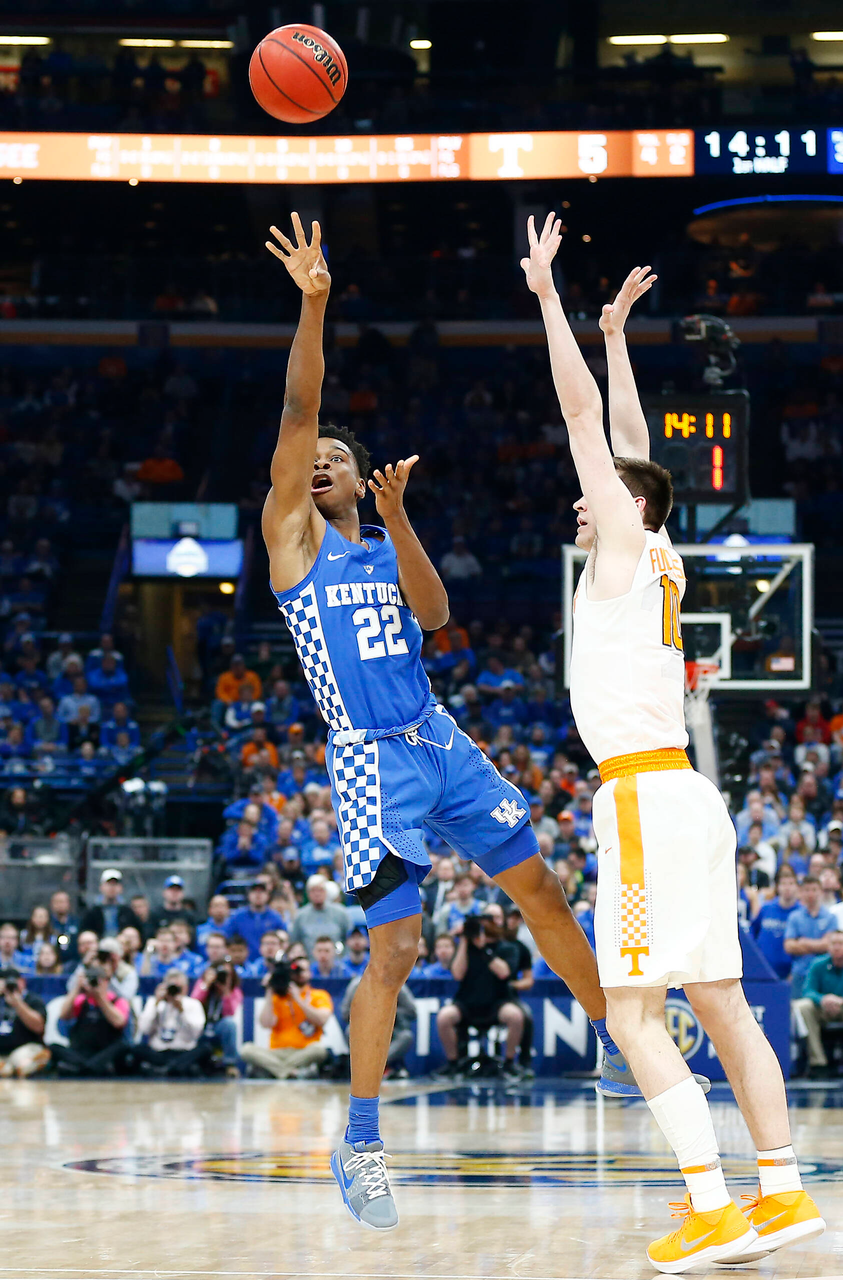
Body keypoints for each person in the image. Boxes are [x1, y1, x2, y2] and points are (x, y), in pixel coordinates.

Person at [261, 211, 656, 1231]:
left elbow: (435, 616)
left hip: (438, 736)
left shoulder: (382, 538)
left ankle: (625, 1044)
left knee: (542, 893)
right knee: (393, 949)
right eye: (313, 460)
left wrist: (397, 519)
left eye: (337, 462)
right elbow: (300, 405)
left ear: (359, 479)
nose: (319, 465)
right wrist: (314, 302)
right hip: (366, 762)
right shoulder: (292, 542)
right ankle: (359, 1141)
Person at [522, 219, 823, 1269]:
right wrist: (614, 335)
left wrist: (550, 298)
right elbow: (633, 446)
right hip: (686, 797)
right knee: (723, 1000)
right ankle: (779, 1190)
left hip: (645, 798)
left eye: (597, 492)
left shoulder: (615, 545)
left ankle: (710, 1204)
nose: (581, 496)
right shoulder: (658, 554)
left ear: (619, 506)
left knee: (634, 1015)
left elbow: (584, 427)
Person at [435, 914, 525, 1077]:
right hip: (467, 1001)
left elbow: (504, 973)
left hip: (497, 1001)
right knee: (444, 1017)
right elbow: (457, 974)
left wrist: (483, 949)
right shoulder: (465, 948)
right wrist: (464, 940)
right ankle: (453, 1063)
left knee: (516, 1016)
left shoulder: (507, 948)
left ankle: (510, 1062)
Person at [238, 952, 332, 1079]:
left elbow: (321, 1020)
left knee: (320, 1050)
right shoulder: (278, 997)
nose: (298, 974)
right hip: (276, 1052)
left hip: (304, 1052)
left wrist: (297, 998)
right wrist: (270, 990)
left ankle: (276, 1071)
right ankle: (289, 1072)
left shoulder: (319, 995)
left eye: (302, 970)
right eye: (295, 971)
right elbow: (266, 1023)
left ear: (310, 973)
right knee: (246, 1049)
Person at [52, 949, 131, 1074]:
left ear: (106, 981)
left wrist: (100, 998)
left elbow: (119, 1022)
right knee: (53, 1047)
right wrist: (77, 988)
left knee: (123, 1047)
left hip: (104, 1052)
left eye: (98, 980)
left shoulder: (118, 1000)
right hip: (82, 1052)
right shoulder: (81, 1000)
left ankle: (81, 1068)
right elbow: (63, 1015)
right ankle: (88, 1067)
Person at [793, 930, 843, 1077]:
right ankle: (818, 1063)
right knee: (803, 1006)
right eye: (833, 943)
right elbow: (807, 990)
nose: (837, 947)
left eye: (841, 943)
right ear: (828, 947)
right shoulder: (818, 964)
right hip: (823, 1009)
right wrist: (823, 999)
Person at [131, 971, 208, 1076]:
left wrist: (182, 1010)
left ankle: (167, 1069)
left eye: (178, 988)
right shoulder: (154, 1002)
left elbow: (196, 1034)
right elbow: (144, 1029)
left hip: (183, 1051)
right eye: (171, 987)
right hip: (159, 1051)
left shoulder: (193, 1004)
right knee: (135, 1049)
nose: (174, 991)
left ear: (185, 988)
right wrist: (156, 1004)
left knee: (205, 1049)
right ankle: (172, 1068)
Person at [340, 973, 416, 1079]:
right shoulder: (356, 985)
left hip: (391, 1030)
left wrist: (390, 1010)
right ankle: (371, 1068)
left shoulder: (398, 984)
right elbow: (344, 1013)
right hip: (365, 1030)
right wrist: (365, 1011)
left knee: (406, 1036)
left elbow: (412, 1012)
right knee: (350, 1031)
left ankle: (376, 1066)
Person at [783, 876, 837, 996]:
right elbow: (789, 946)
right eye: (807, 890)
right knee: (796, 1010)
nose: (810, 893)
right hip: (799, 973)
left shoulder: (830, 917)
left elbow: (828, 945)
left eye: (814, 889)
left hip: (824, 974)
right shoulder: (795, 917)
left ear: (821, 892)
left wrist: (803, 942)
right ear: (801, 892)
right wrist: (818, 945)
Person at [191, 958, 243, 1077]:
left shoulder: (234, 991)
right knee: (190, 1022)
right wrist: (207, 984)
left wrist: (225, 992)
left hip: (219, 1026)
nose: (222, 976)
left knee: (230, 1023)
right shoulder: (203, 984)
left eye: (226, 974)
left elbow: (230, 1013)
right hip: (202, 1025)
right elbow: (193, 1005)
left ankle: (230, 1064)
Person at [751, 867, 801, 979]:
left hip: (789, 973)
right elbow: (753, 932)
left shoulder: (801, 913)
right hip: (762, 970)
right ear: (777, 887)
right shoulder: (766, 908)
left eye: (791, 884)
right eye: (783, 884)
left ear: (797, 887)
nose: (787, 888)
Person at [0, 967, 50, 1078]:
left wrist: (18, 1004)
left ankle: (30, 1061)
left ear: (22, 982)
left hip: (25, 1046)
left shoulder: (33, 999)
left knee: (22, 1065)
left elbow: (38, 1027)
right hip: (2, 1051)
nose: (9, 986)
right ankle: (7, 1069)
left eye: (12, 982)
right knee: (5, 1069)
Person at [227, 880, 287, 961]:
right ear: (248, 895)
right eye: (254, 892)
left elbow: (285, 940)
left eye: (262, 892)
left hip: (270, 962)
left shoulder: (275, 917)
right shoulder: (237, 917)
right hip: (243, 963)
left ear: (268, 896)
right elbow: (228, 939)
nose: (258, 895)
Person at [290, 875, 351, 954]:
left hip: (337, 962)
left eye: (320, 890)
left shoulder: (341, 913)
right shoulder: (300, 916)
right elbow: (294, 943)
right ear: (308, 893)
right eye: (313, 891)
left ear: (326, 892)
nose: (317, 894)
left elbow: (349, 939)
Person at [79, 869, 141, 939]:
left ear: (121, 888)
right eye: (109, 884)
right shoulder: (92, 912)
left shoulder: (128, 912)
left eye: (115, 884)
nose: (112, 888)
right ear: (101, 887)